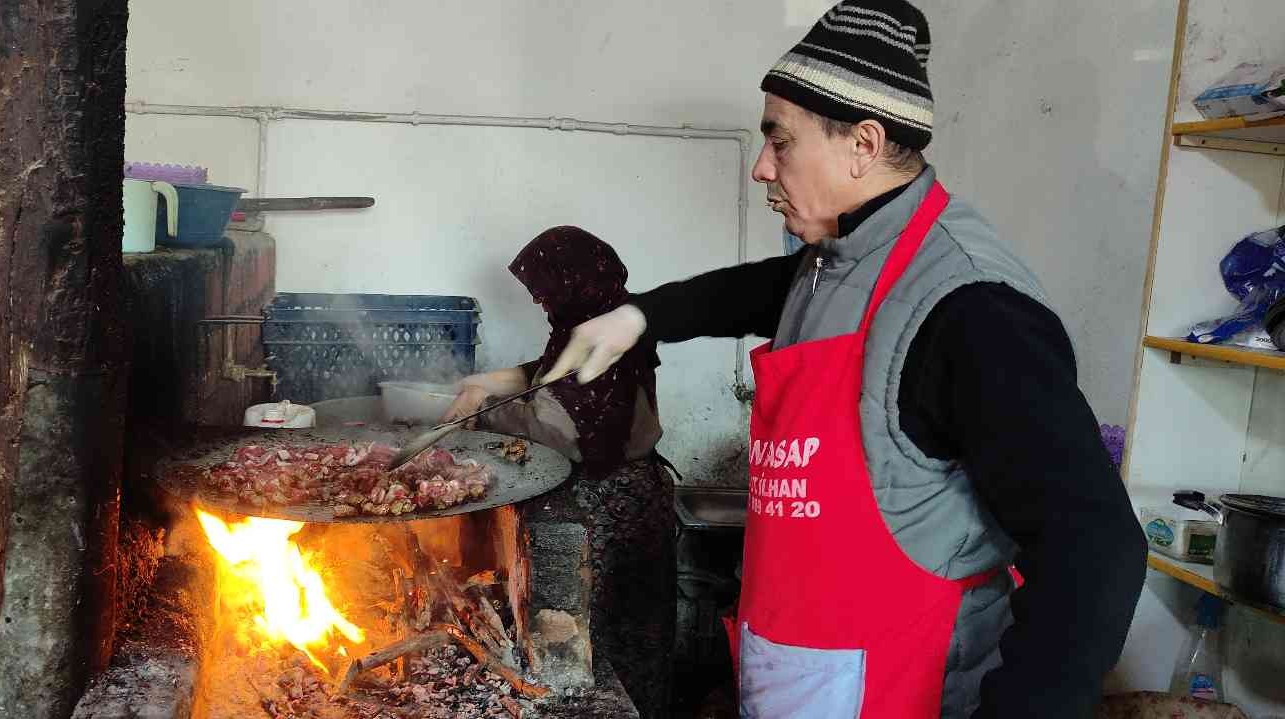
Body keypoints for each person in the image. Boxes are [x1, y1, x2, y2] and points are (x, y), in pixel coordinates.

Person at [542, 2, 1147, 717]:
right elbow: (760, 289)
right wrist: (640, 316)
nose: (762, 166)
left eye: (780, 140)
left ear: (863, 144)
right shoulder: (834, 257)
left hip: (901, 689)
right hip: (795, 675)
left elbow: (1095, 546)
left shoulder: (974, 306)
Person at [442, 225, 675, 718]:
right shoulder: (598, 321)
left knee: (608, 633)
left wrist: (481, 412)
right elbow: (547, 374)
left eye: (542, 290)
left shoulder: (606, 338)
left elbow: (559, 432)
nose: (538, 302)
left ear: (571, 282)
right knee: (616, 627)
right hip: (624, 494)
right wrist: (484, 381)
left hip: (613, 505)